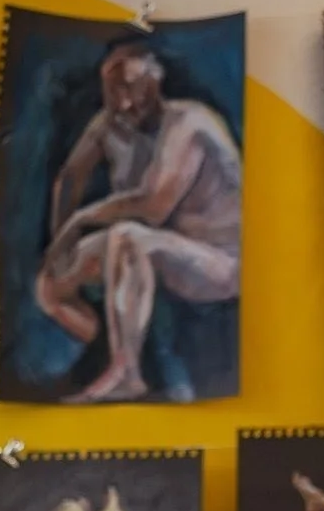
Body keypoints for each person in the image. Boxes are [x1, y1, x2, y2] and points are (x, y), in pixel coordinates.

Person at [31, 39, 242, 403]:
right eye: (113, 93)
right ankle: (106, 346)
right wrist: (58, 240)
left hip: (222, 263)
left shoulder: (189, 122)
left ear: (156, 83)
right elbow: (69, 178)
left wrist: (79, 221)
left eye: (132, 89)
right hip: (164, 249)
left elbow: (153, 206)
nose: (123, 103)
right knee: (50, 284)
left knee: (127, 237)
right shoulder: (111, 124)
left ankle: (127, 373)